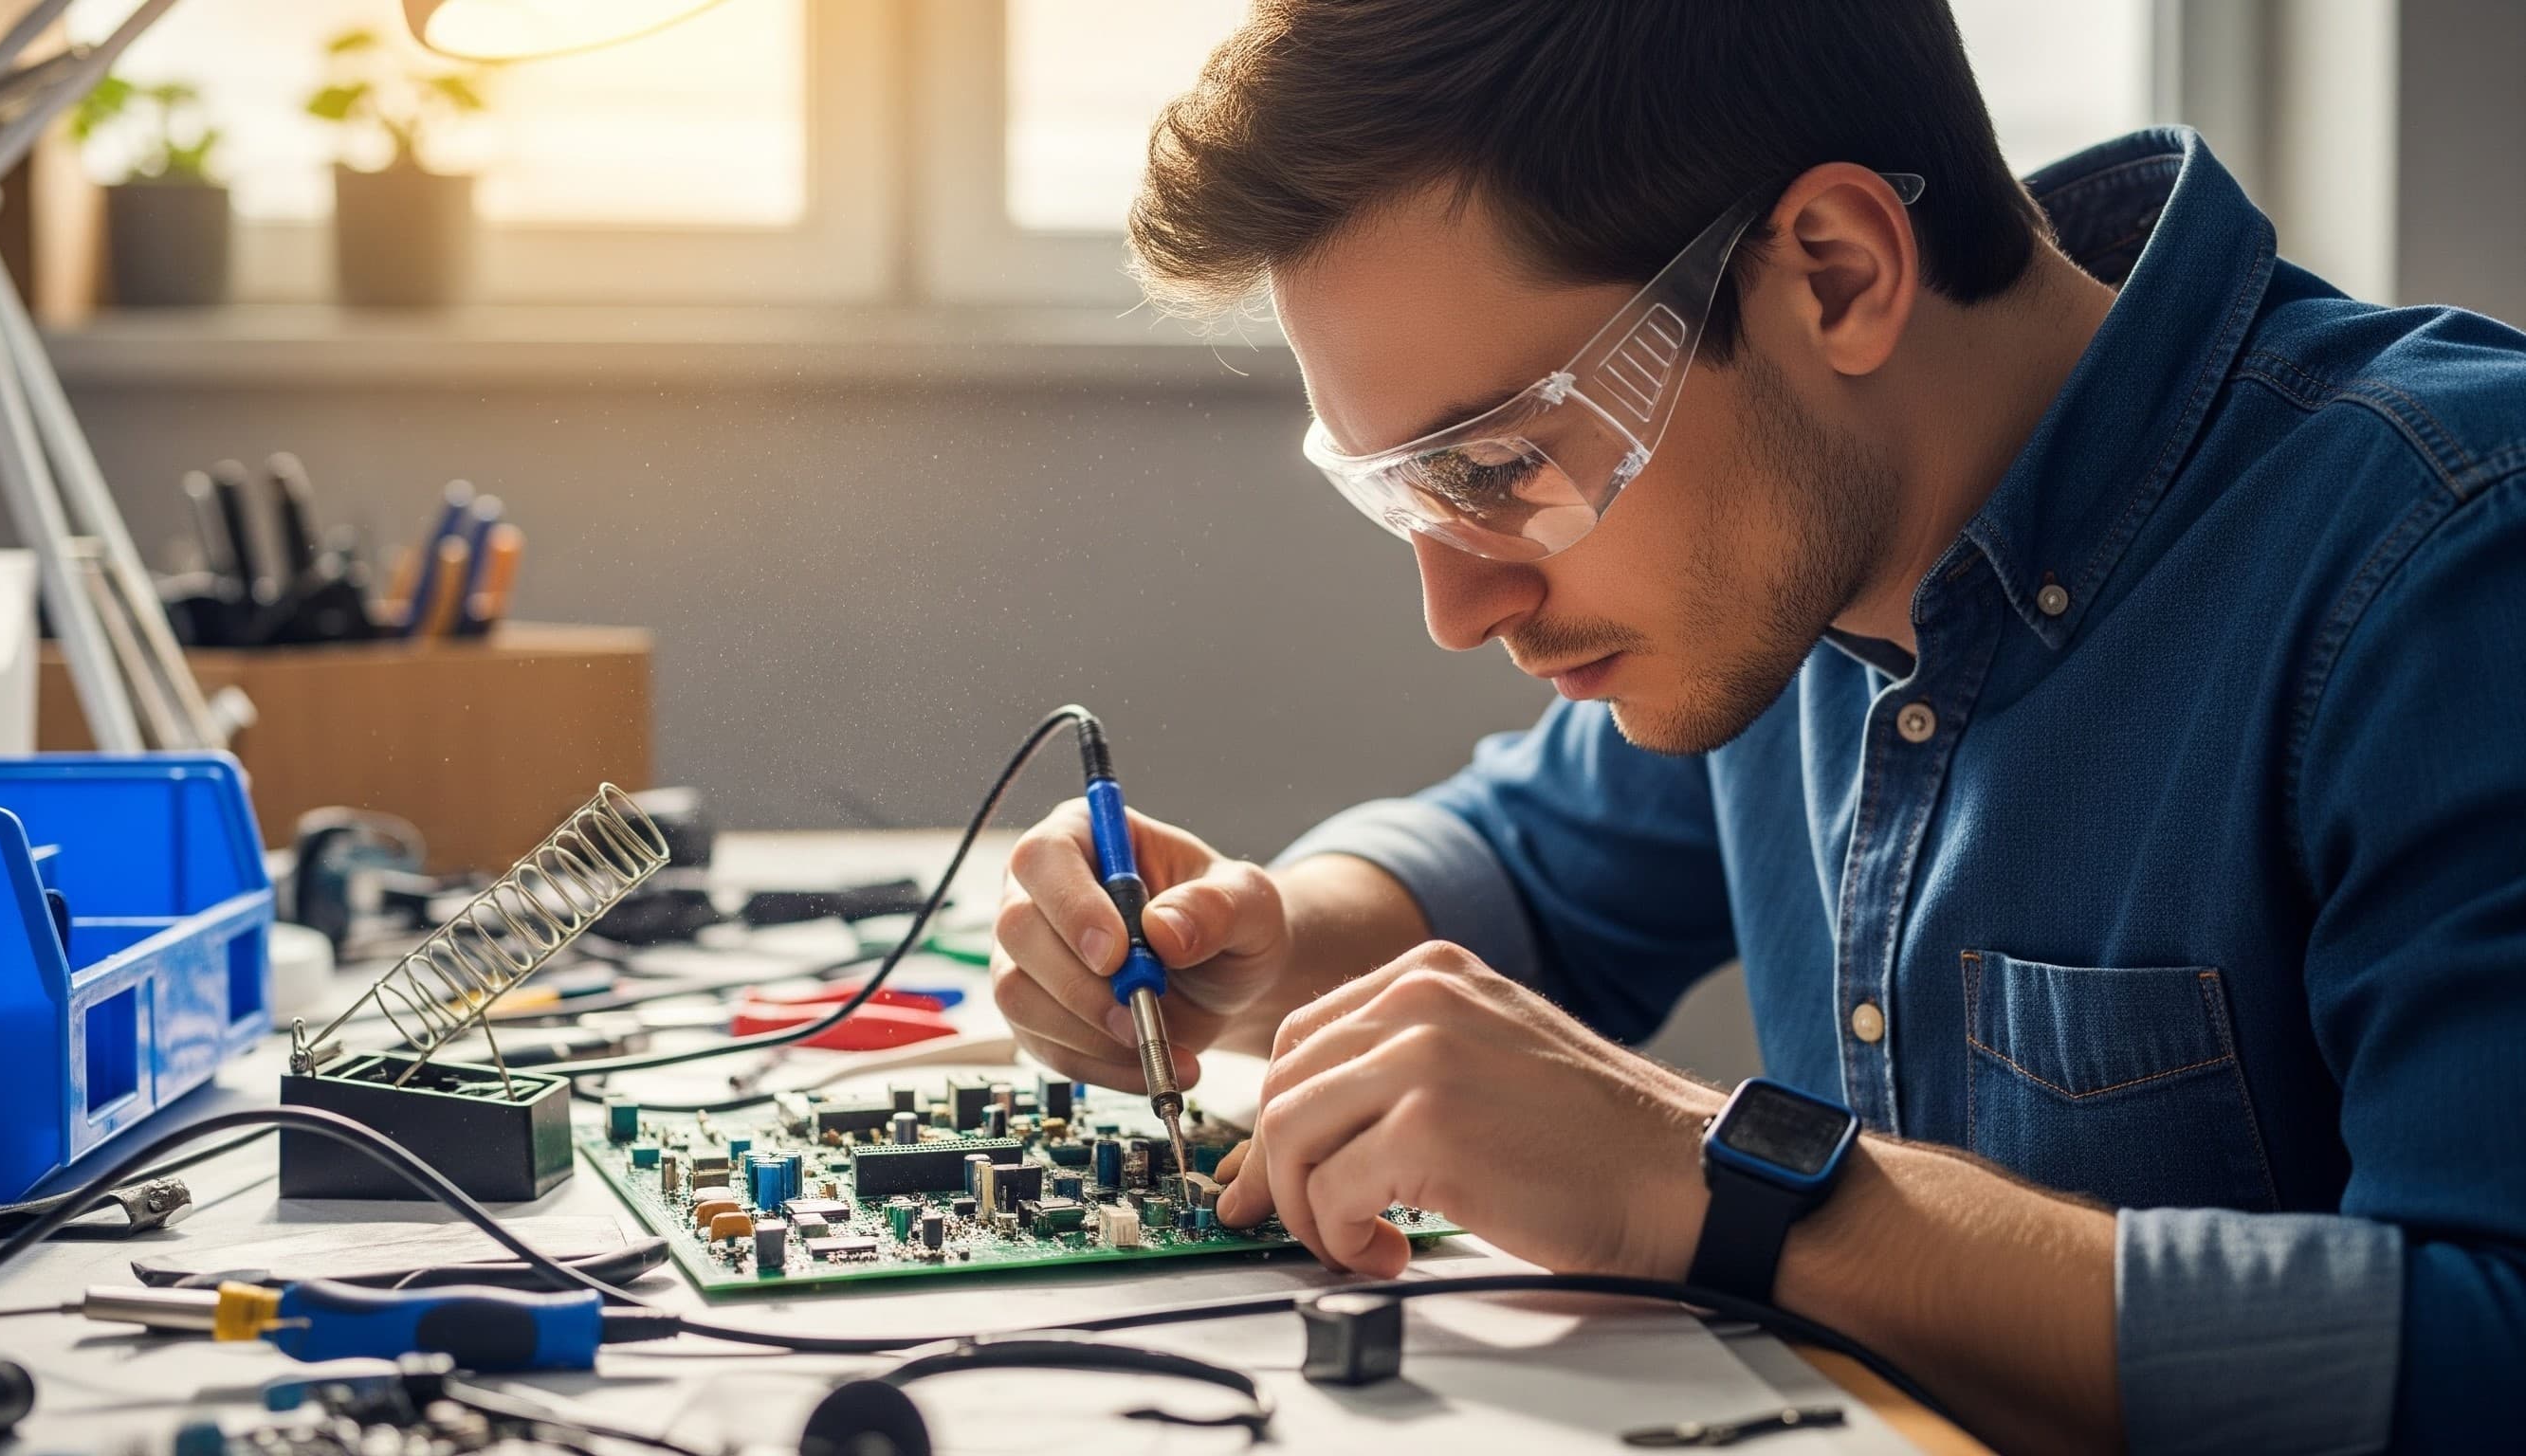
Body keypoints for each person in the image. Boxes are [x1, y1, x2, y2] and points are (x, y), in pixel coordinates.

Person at [985, 4, 2526, 1451]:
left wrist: (1718, 1183)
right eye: (1398, 493)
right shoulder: (1800, 569)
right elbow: (1520, 859)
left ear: (1837, 273)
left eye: (1502, 466)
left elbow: (2492, 1358)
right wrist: (1247, 937)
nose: (1455, 608)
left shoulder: (2452, 564)